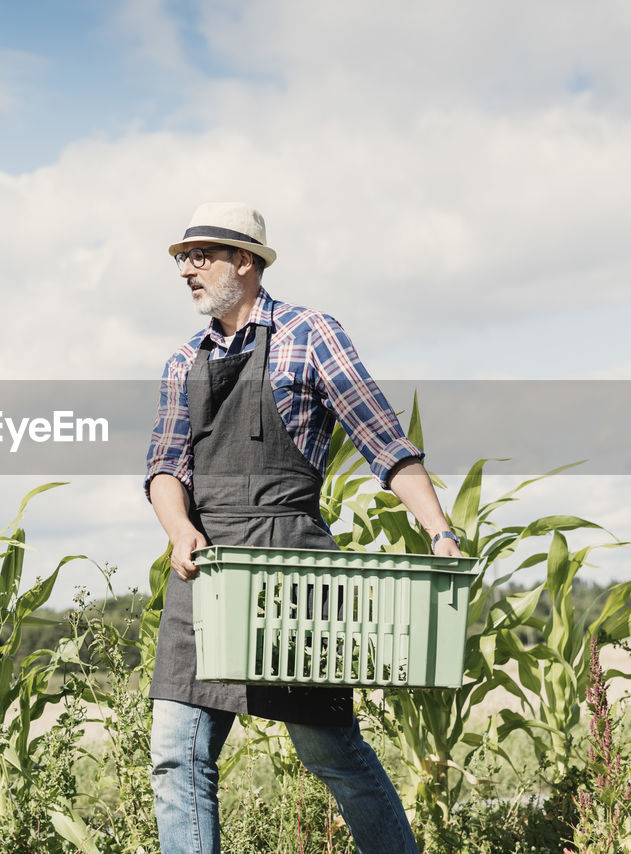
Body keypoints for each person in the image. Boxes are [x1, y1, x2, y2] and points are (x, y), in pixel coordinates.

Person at [143, 202, 463, 854]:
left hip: (293, 571)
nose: (187, 270)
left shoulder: (311, 334)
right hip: (205, 570)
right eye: (183, 258)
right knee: (176, 752)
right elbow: (164, 466)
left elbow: (384, 442)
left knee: (331, 750)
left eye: (200, 255)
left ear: (245, 260)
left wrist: (440, 531)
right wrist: (178, 528)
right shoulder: (183, 362)